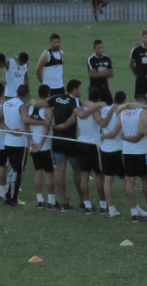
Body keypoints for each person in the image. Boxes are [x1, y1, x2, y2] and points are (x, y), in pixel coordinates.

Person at [1, 85, 48, 207]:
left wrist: (10, 131)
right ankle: (13, 199)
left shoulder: (6, 103)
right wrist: (44, 122)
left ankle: (7, 195)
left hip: (7, 141)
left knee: (13, 168)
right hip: (19, 142)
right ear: (27, 94)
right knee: (18, 170)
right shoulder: (23, 106)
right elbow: (26, 120)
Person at [46, 79, 83, 211]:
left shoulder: (56, 97)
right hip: (70, 140)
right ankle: (83, 201)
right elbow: (71, 121)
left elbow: (43, 103)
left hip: (57, 141)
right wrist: (60, 127)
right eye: (80, 88)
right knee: (77, 170)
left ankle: (64, 202)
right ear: (74, 89)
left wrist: (53, 127)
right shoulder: (75, 101)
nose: (81, 91)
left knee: (60, 171)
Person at [120, 95, 147, 221]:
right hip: (140, 151)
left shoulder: (124, 112)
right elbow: (142, 131)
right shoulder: (142, 112)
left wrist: (126, 138)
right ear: (145, 103)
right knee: (145, 180)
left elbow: (119, 129)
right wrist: (133, 139)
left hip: (127, 151)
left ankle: (133, 211)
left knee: (130, 181)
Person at [74, 88, 108, 214]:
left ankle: (87, 204)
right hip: (94, 145)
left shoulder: (79, 109)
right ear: (98, 100)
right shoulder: (95, 111)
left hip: (81, 143)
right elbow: (102, 123)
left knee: (84, 174)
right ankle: (103, 205)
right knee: (100, 175)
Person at [99, 91, 127, 217]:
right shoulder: (122, 111)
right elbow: (117, 131)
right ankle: (133, 207)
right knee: (125, 179)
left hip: (105, 149)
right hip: (118, 149)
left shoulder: (104, 109)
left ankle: (111, 208)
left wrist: (103, 136)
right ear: (123, 101)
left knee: (107, 180)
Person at [29, 85, 56, 210]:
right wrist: (41, 143)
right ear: (48, 94)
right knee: (49, 173)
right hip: (44, 146)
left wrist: (31, 141)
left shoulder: (30, 108)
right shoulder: (48, 109)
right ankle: (51, 200)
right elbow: (47, 126)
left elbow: (26, 125)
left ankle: (39, 199)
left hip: (32, 145)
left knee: (38, 171)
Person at [87, 39, 114, 105]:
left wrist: (98, 73)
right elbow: (93, 75)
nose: (100, 50)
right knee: (94, 106)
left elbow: (111, 74)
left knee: (109, 105)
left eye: (101, 48)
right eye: (98, 48)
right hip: (94, 87)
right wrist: (105, 72)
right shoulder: (91, 59)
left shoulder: (107, 58)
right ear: (94, 49)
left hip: (105, 87)